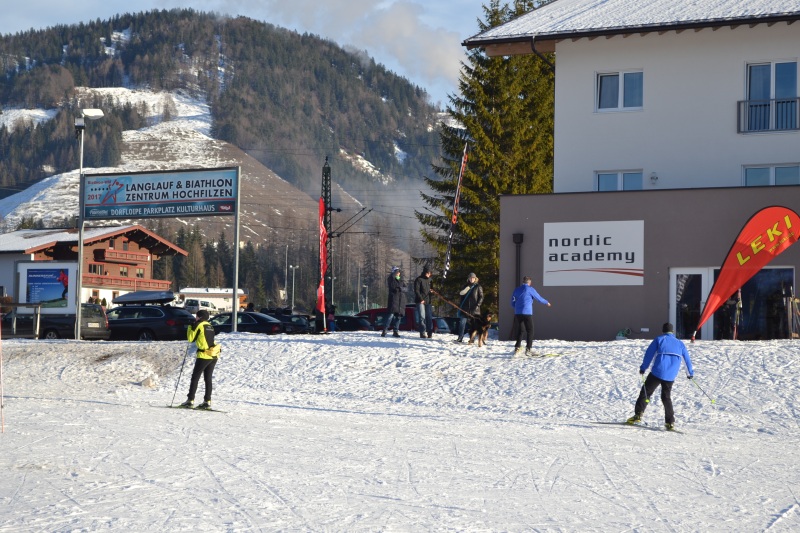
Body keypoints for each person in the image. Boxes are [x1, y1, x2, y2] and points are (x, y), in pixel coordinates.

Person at [627, 322, 694, 430]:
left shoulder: (659, 339)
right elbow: (686, 359)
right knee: (666, 397)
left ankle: (638, 415)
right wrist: (690, 373)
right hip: (671, 375)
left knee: (646, 392)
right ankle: (670, 422)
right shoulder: (680, 343)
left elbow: (649, 354)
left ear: (663, 331)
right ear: (672, 331)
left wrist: (643, 368)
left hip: (657, 372)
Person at [180, 309, 221, 410]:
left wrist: (190, 327)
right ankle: (207, 401)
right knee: (208, 379)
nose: (195, 318)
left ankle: (190, 400)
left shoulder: (199, 324)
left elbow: (190, 339)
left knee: (195, 378)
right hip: (213, 354)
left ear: (200, 317)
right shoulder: (209, 325)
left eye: (197, 316)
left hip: (204, 355)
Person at [510, 276, 551, 355]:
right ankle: (528, 349)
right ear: (529, 282)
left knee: (520, 330)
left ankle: (517, 348)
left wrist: (517, 307)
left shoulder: (517, 289)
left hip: (518, 313)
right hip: (527, 312)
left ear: (523, 282)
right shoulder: (530, 289)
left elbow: (512, 301)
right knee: (530, 330)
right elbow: (538, 298)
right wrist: (547, 302)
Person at [455, 273, 483, 343]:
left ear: (475, 278)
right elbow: (462, 297)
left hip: (474, 309)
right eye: (470, 278)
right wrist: (461, 305)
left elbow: (481, 297)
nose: (472, 279)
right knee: (462, 323)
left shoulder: (478, 286)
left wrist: (477, 305)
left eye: (473, 278)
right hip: (465, 308)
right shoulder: (465, 286)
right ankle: (460, 337)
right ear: (468, 278)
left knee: (473, 325)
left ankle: (472, 339)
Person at [381, 266, 406, 338]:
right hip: (394, 300)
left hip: (401, 301)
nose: (398, 273)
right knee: (390, 315)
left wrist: (400, 289)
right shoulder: (391, 279)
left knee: (398, 317)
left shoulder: (401, 280)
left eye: (399, 272)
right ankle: (385, 330)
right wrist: (399, 289)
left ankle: (396, 331)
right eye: (397, 272)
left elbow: (406, 288)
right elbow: (392, 287)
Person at [414, 265, 434, 339]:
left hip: (428, 301)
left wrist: (432, 292)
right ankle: (422, 332)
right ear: (425, 272)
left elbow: (432, 289)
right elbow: (416, 290)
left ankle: (430, 332)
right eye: (428, 273)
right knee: (422, 317)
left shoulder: (430, 280)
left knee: (429, 317)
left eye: (430, 273)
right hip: (420, 301)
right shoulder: (419, 279)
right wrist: (421, 299)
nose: (429, 274)